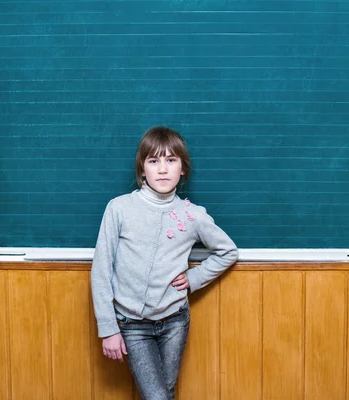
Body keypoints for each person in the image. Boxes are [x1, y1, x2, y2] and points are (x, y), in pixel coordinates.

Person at [91, 126, 239, 400]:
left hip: (174, 320)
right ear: (142, 169)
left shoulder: (192, 215)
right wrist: (108, 328)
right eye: (154, 161)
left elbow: (227, 251)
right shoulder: (119, 208)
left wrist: (194, 279)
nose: (162, 169)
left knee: (166, 392)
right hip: (132, 324)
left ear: (182, 169)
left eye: (171, 160)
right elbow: (101, 270)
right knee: (158, 397)